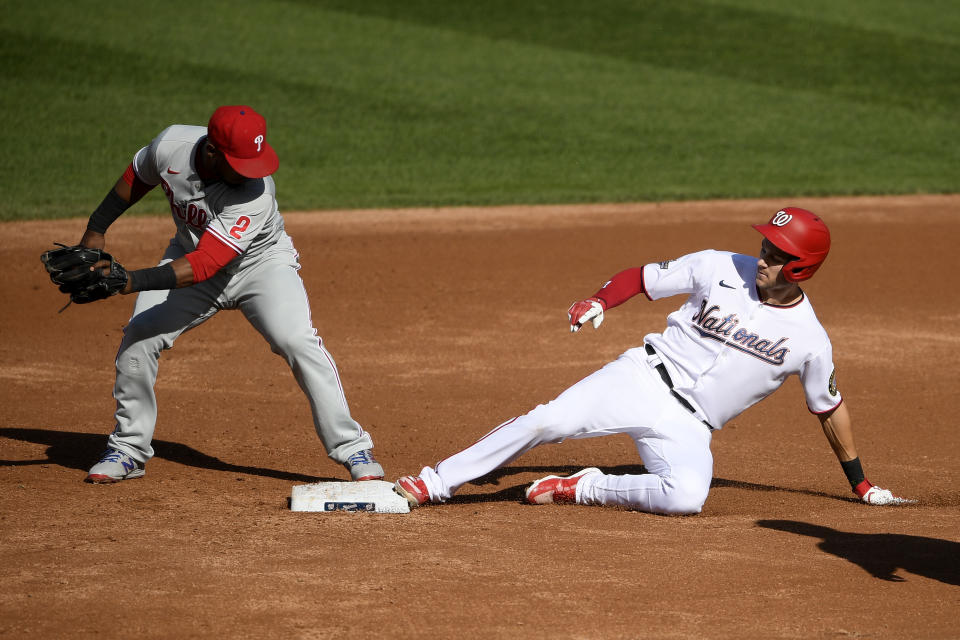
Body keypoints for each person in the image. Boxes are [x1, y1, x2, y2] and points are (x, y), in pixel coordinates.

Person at [394, 208, 913, 512]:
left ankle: (585, 486)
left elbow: (828, 407)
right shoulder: (717, 266)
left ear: (802, 269)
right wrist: (599, 300)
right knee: (547, 420)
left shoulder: (811, 341)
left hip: (691, 424)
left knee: (687, 497)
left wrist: (860, 483)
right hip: (642, 376)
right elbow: (641, 278)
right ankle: (435, 481)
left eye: (777, 256)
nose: (763, 259)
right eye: (764, 246)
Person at [79, 105, 383, 483]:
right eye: (239, 162)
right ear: (211, 152)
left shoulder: (256, 192)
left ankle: (353, 449)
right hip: (189, 258)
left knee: (298, 341)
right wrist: (96, 229)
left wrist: (129, 281)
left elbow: (206, 264)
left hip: (261, 267)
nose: (251, 171)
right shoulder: (171, 145)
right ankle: (128, 450)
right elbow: (138, 176)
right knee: (139, 337)